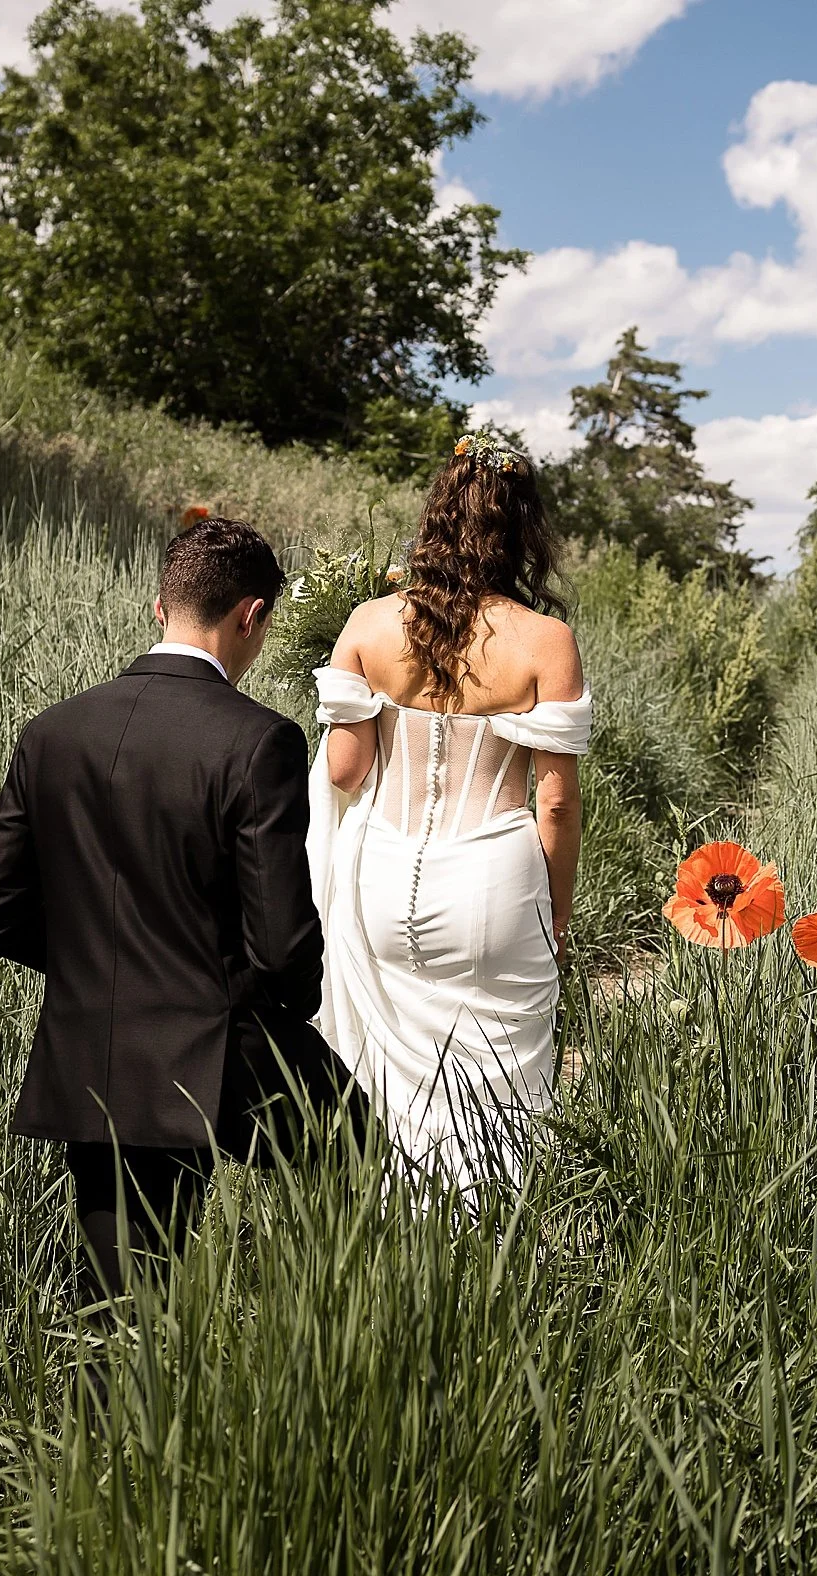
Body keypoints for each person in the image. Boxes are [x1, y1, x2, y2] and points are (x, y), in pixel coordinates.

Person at [0, 514, 357, 1301]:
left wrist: (104, 970)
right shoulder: (258, 741)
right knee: (360, 1179)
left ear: (159, 608)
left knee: (117, 1310)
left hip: (90, 1054)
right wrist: (208, 989)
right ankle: (314, 1378)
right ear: (253, 616)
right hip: (214, 1049)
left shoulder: (51, 732)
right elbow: (282, 949)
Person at [308, 433, 591, 1193]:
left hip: (382, 875)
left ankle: (392, 1245)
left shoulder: (370, 624)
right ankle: (485, 1258)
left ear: (435, 518)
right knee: (497, 1084)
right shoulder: (546, 642)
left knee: (392, 1080)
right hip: (494, 881)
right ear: (521, 530)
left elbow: (344, 767)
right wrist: (557, 912)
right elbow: (556, 800)